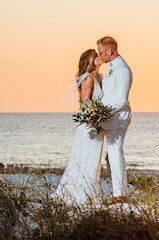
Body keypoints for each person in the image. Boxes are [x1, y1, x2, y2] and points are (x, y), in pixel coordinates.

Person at [54, 49, 105, 205]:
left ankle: (89, 193)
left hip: (98, 125)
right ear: (89, 61)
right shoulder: (88, 79)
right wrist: (93, 120)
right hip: (89, 126)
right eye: (95, 56)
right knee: (85, 158)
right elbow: (84, 104)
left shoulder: (101, 77)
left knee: (94, 161)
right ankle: (78, 194)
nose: (98, 57)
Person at [97, 36, 133, 203]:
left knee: (115, 152)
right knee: (113, 153)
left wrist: (101, 112)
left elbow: (121, 100)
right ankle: (120, 191)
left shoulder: (123, 70)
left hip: (118, 117)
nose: (100, 56)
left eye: (101, 53)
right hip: (110, 117)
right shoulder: (111, 67)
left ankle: (119, 194)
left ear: (110, 51)